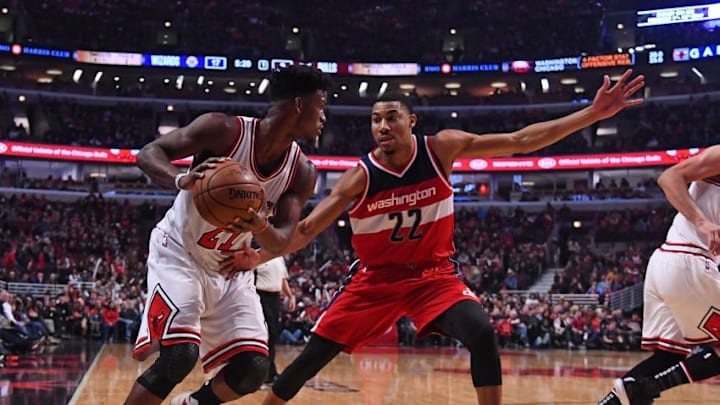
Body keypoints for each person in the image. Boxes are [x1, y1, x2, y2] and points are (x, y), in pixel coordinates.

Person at [225, 69, 644, 405]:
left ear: (412, 121)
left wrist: (592, 114)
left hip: (433, 277)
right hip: (375, 281)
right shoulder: (359, 177)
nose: (383, 126)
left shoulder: (441, 148)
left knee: (481, 331)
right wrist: (256, 257)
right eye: (375, 119)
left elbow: (521, 141)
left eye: (392, 117)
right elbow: (305, 230)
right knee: (308, 361)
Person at [123, 65, 331, 405]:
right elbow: (148, 154)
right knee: (180, 356)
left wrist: (259, 228)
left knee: (254, 368)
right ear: (298, 104)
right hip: (180, 252)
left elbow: (280, 240)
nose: (323, 117)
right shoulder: (223, 130)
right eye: (320, 105)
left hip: (230, 268)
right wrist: (181, 179)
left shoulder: (302, 171)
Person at [598, 145, 720, 405]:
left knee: (667, 358)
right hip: (688, 260)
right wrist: (701, 222)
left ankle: (619, 398)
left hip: (671, 263)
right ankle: (649, 387)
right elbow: (669, 177)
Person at [255, 257, 297, 384]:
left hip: (275, 298)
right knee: (265, 335)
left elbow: (282, 279)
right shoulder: (258, 256)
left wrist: (291, 296)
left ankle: (269, 372)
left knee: (273, 336)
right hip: (260, 296)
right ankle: (262, 372)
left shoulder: (280, 259)